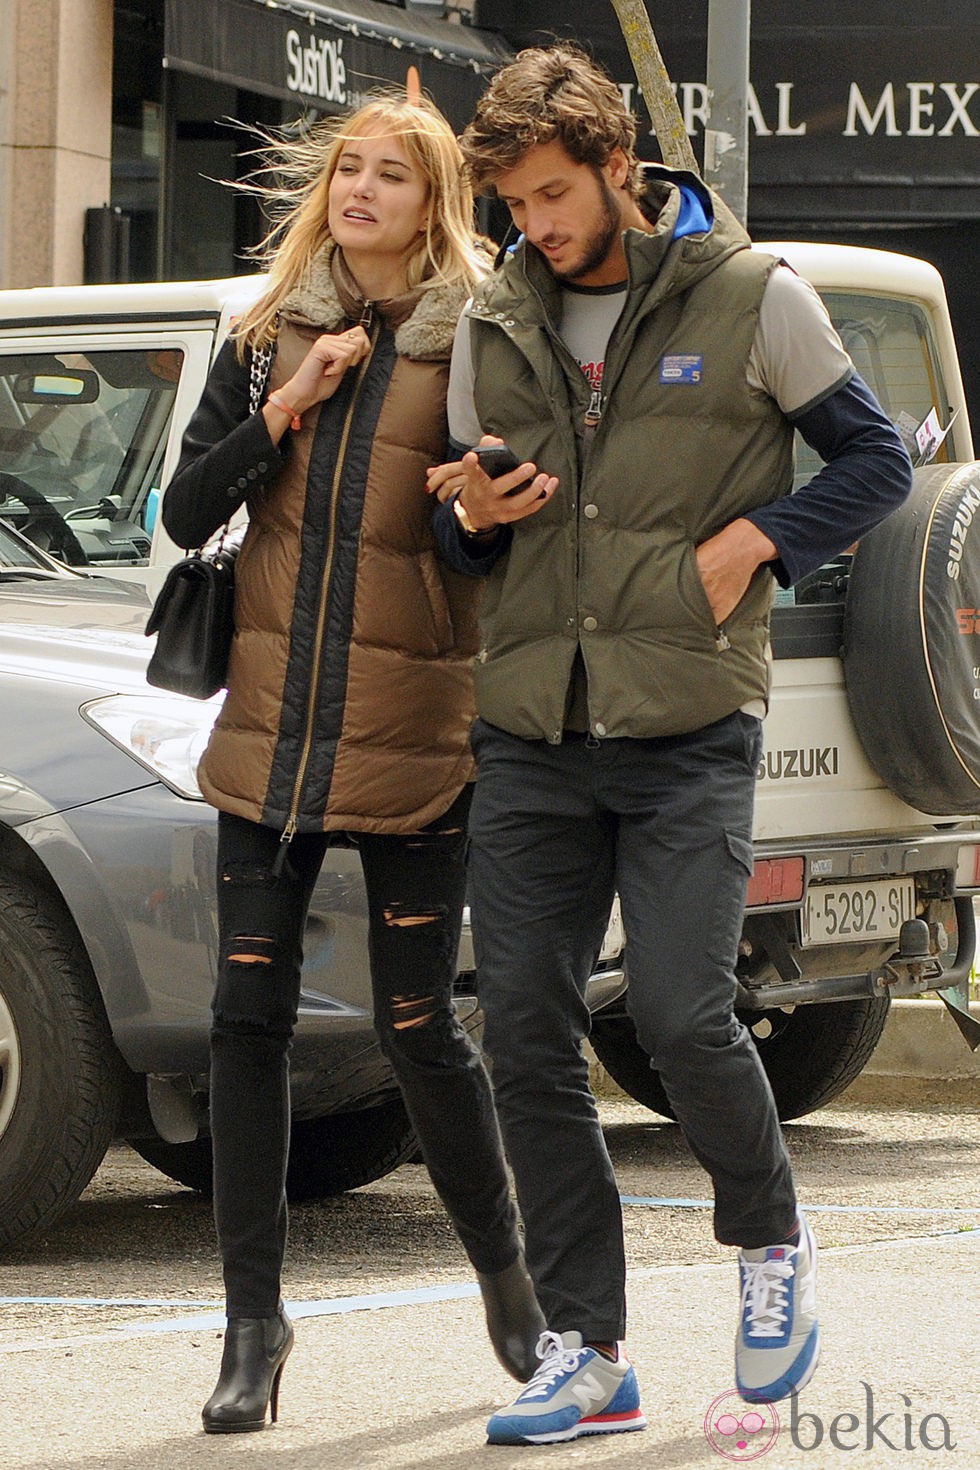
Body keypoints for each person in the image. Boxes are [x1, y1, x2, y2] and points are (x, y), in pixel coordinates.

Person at [425, 45, 913, 1447]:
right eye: (513, 200)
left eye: (554, 194)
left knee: (689, 1011)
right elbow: (463, 531)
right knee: (521, 1025)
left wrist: (760, 538)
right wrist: (477, 514)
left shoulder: (757, 297)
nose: (536, 224)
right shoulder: (493, 318)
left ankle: (772, 1251)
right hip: (534, 728)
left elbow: (877, 462)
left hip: (693, 717)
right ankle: (589, 1347)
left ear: (618, 169)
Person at [161, 93, 544, 1435]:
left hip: (416, 731)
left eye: (391, 175)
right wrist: (284, 409)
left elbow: (470, 548)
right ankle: (252, 1328)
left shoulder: (476, 341)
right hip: (269, 729)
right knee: (243, 1025)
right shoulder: (269, 335)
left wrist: (481, 518)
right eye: (349, 171)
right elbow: (184, 509)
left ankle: (509, 1282)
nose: (363, 190)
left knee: (419, 1024)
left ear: (432, 202)